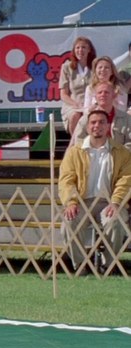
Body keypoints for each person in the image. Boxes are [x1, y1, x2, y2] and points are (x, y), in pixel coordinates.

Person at [59, 110, 131, 274]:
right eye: (93, 122)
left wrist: (116, 202)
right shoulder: (74, 152)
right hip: (81, 202)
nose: (97, 125)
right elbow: (66, 180)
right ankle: (81, 266)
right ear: (87, 127)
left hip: (109, 202)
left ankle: (108, 266)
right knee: (68, 222)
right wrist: (71, 202)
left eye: (101, 122)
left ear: (108, 126)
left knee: (116, 221)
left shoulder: (122, 152)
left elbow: (126, 179)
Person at [71, 81, 131, 151]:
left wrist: (116, 154)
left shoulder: (126, 119)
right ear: (95, 97)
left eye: (106, 92)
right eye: (100, 92)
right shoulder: (85, 120)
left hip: (120, 156)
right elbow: (79, 143)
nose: (103, 95)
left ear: (114, 96)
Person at [60, 37, 97, 136]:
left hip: (92, 103)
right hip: (73, 104)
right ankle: (76, 143)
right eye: (78, 48)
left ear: (89, 50)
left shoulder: (96, 66)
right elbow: (63, 94)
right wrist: (76, 104)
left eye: (84, 47)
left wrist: (94, 104)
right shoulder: (67, 67)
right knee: (75, 115)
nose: (80, 50)